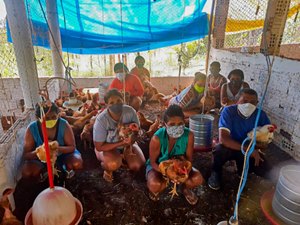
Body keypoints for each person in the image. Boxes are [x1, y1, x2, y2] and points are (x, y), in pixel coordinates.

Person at [207, 88, 271, 190]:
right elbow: (224, 139)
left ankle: (243, 169)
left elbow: (265, 142)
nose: (248, 105)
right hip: (230, 146)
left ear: (257, 103)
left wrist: (260, 145)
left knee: (266, 170)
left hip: (248, 148)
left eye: (252, 102)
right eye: (245, 101)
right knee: (219, 151)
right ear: (237, 100)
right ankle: (216, 173)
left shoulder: (261, 115)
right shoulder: (229, 111)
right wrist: (249, 150)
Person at [146, 105, 203, 205]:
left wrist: (183, 175)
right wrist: (167, 173)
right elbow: (153, 162)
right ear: (165, 124)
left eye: (180, 123)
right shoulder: (157, 138)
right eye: (172, 124)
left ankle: (184, 188)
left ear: (184, 122)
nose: (176, 127)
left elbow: (189, 160)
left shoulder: (189, 135)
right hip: (159, 167)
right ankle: (159, 187)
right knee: (155, 184)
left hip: (180, 166)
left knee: (197, 178)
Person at [93, 89, 146, 182]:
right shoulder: (101, 120)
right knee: (112, 164)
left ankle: (124, 157)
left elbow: (138, 131)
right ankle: (107, 170)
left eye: (118, 101)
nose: (116, 104)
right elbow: (99, 146)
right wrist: (121, 143)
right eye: (111, 102)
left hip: (128, 144)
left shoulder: (130, 111)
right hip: (107, 147)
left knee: (137, 165)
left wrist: (133, 137)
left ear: (123, 100)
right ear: (106, 105)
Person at [22, 102, 83, 181]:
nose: (51, 120)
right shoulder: (32, 128)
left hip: (62, 155)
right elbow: (26, 155)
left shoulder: (63, 124)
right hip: (40, 159)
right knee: (28, 172)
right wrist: (41, 151)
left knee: (76, 163)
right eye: (46, 118)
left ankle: (66, 172)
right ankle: (42, 176)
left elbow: (72, 147)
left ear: (58, 115)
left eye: (54, 117)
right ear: (38, 118)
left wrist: (56, 149)